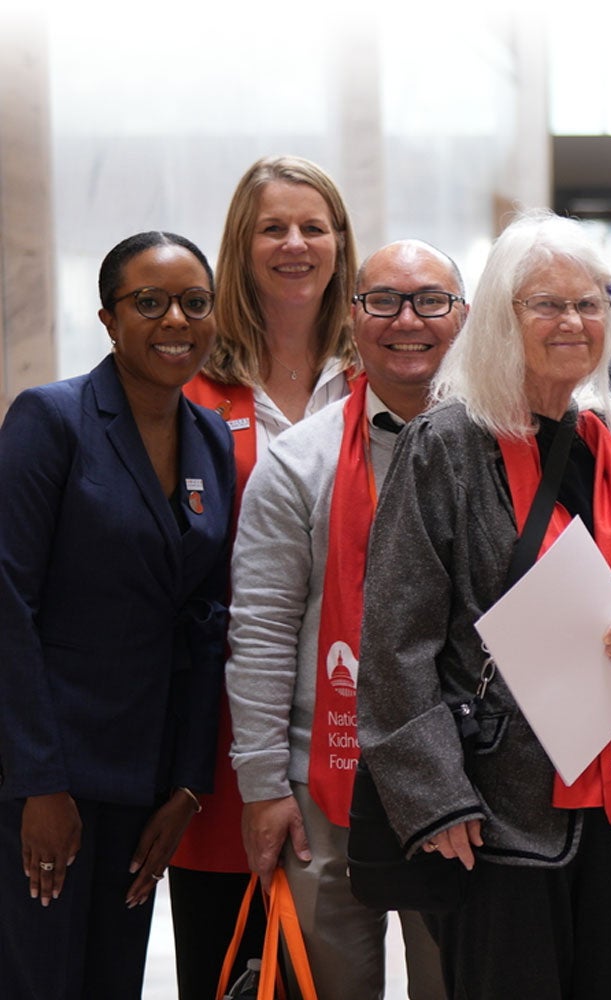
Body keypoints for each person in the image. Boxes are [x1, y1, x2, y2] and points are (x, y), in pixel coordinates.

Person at [359, 211, 611, 999]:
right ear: (504, 318)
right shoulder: (445, 445)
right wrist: (437, 803)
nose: (573, 321)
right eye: (546, 303)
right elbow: (395, 639)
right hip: (495, 814)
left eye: (591, 303)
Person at [225, 241, 464, 999]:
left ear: (464, 317)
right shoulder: (298, 461)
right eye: (384, 301)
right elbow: (260, 631)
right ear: (354, 318)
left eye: (431, 300)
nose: (408, 321)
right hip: (319, 784)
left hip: (458, 785)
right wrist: (263, 787)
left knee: (452, 983)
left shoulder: (499, 451)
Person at [0, 232, 235, 998]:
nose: (176, 320)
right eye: (151, 302)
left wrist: (186, 786)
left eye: (194, 303)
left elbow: (204, 620)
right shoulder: (52, 420)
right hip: (45, 781)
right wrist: (39, 783)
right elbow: (9, 603)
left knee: (113, 982)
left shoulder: (208, 438)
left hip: (143, 783)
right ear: (109, 318)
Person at [173, 153, 359, 996]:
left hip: (352, 712)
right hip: (223, 722)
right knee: (232, 953)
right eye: (272, 228)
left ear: (340, 245)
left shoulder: (378, 378)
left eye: (312, 227)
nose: (294, 244)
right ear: (240, 247)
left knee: (334, 952)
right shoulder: (194, 386)